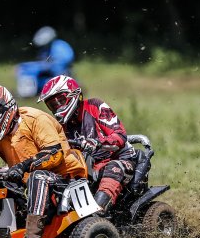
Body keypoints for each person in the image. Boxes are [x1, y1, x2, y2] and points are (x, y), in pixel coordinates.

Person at [0, 85, 87, 238]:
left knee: (38, 176)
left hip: (65, 178)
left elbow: (54, 154)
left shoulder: (35, 119)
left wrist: (22, 167)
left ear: (7, 108)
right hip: (29, 180)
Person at [37, 75, 136, 214]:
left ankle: (98, 214)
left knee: (113, 169)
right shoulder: (59, 125)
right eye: (52, 105)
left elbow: (119, 135)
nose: (57, 107)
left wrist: (97, 143)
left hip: (118, 159)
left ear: (74, 94)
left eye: (61, 100)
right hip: (86, 167)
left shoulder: (94, 106)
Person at [16, 26, 75, 98]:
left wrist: (47, 66)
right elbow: (41, 62)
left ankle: (30, 92)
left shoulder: (60, 46)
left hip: (60, 75)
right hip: (48, 74)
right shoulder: (45, 49)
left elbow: (64, 63)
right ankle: (28, 92)